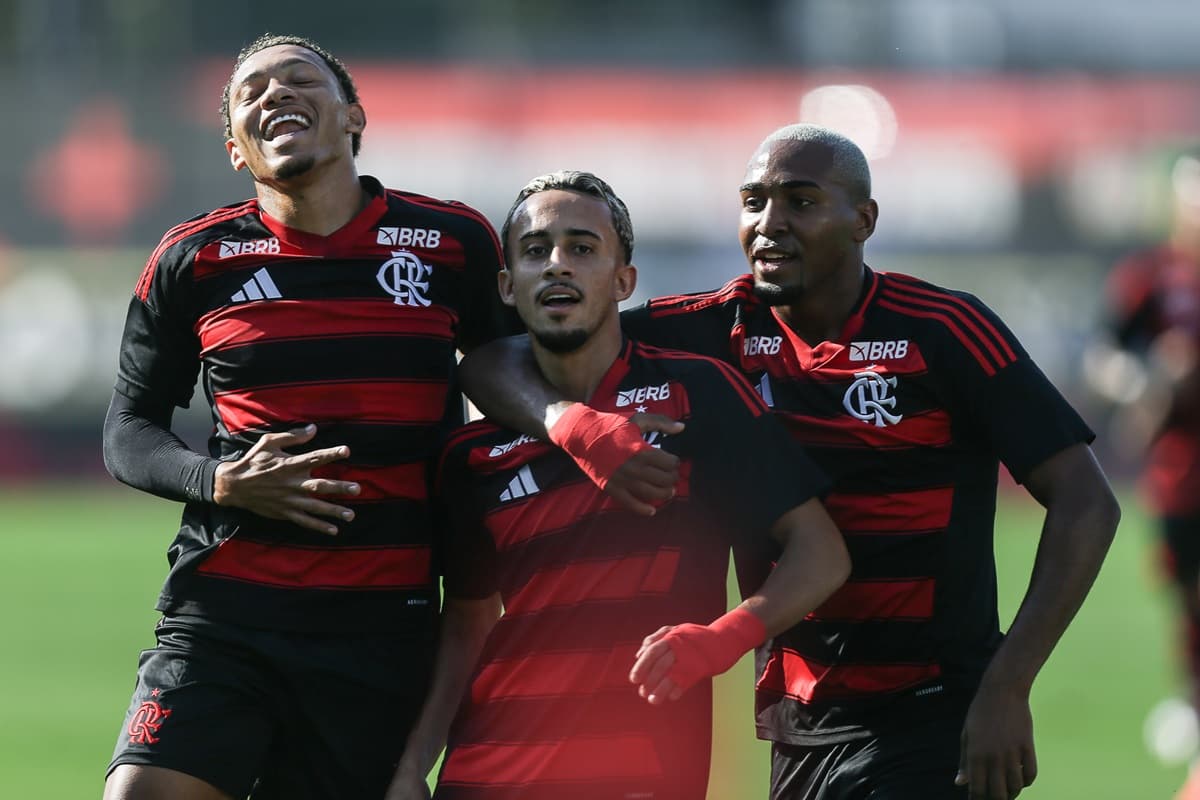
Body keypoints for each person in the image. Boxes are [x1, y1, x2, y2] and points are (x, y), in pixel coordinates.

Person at [460, 125, 1121, 799]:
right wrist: (575, 424)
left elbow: (1086, 502)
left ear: (864, 220)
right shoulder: (712, 331)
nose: (769, 224)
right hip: (797, 722)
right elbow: (497, 360)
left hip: (933, 709)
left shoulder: (944, 330)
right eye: (754, 202)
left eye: (800, 202)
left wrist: (1008, 686)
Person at [100, 33, 521, 800]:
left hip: (381, 627)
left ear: (354, 117)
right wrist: (221, 481)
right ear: (235, 147)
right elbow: (127, 431)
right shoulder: (193, 258)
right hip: (225, 613)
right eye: (250, 92)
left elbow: (511, 384)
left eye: (300, 79)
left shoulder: (454, 244)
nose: (275, 94)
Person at [384, 170, 851, 800]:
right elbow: (469, 622)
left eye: (582, 248)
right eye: (534, 250)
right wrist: (414, 766)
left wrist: (722, 639)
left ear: (623, 280)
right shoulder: (470, 455)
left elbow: (821, 551)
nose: (557, 265)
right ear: (507, 286)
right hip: (485, 773)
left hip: (637, 773)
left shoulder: (696, 393)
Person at [1091, 150, 1200, 800]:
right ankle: (1191, 696)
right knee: (1184, 588)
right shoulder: (1149, 277)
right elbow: (1105, 355)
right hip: (1178, 470)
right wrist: (1150, 381)